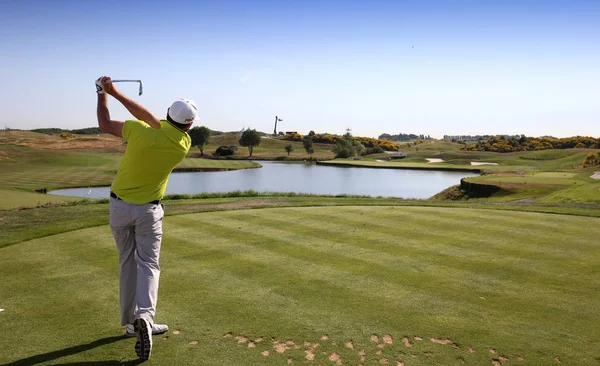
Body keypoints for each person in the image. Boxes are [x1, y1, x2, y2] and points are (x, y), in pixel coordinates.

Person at [95, 76, 196, 360]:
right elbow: (148, 117)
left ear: (167, 113)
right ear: (188, 124)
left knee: (127, 262)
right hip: (149, 212)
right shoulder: (182, 143)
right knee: (148, 264)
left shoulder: (138, 130)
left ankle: (130, 324)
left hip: (119, 207)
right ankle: (146, 319)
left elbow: (105, 123)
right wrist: (115, 92)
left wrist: (104, 93)